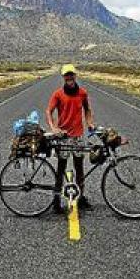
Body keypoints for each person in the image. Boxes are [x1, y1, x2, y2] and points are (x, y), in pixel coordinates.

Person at [46, 64, 95, 213]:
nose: (69, 77)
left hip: (78, 136)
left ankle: (81, 198)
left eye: (71, 75)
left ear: (75, 76)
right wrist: (54, 128)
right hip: (64, 137)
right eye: (66, 75)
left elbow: (87, 109)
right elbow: (49, 111)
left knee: (79, 168)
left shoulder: (83, 93)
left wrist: (89, 122)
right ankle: (56, 200)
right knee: (61, 168)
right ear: (63, 77)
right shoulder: (58, 94)